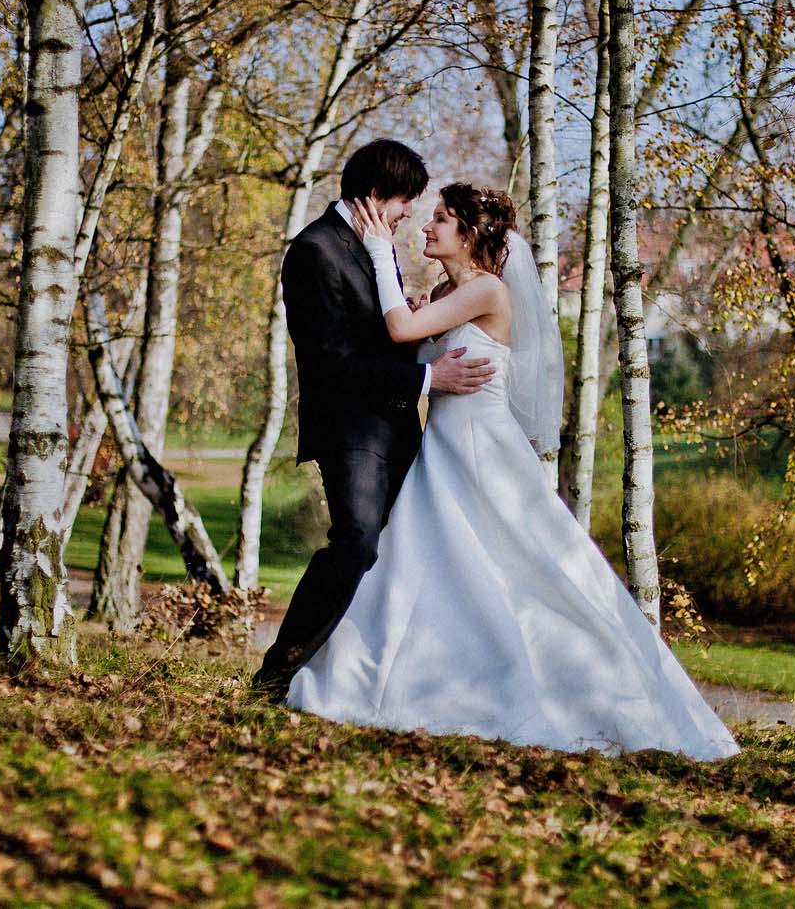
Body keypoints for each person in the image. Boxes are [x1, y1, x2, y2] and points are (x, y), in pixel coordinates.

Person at [285, 182, 739, 760]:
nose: (427, 227)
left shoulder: (487, 290)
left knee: (528, 565)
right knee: (438, 564)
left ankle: (590, 688)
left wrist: (378, 248)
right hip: (444, 443)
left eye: (442, 220)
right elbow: (412, 348)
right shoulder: (448, 289)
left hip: (481, 446)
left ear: (471, 235)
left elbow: (399, 330)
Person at [251, 140, 496, 701]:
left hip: (396, 425)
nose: (408, 213)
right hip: (350, 430)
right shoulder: (315, 250)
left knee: (406, 550)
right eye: (404, 201)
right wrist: (431, 379)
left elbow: (380, 333)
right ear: (375, 194)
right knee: (357, 543)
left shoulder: (366, 245)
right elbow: (331, 359)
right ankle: (278, 672)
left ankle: (374, 682)